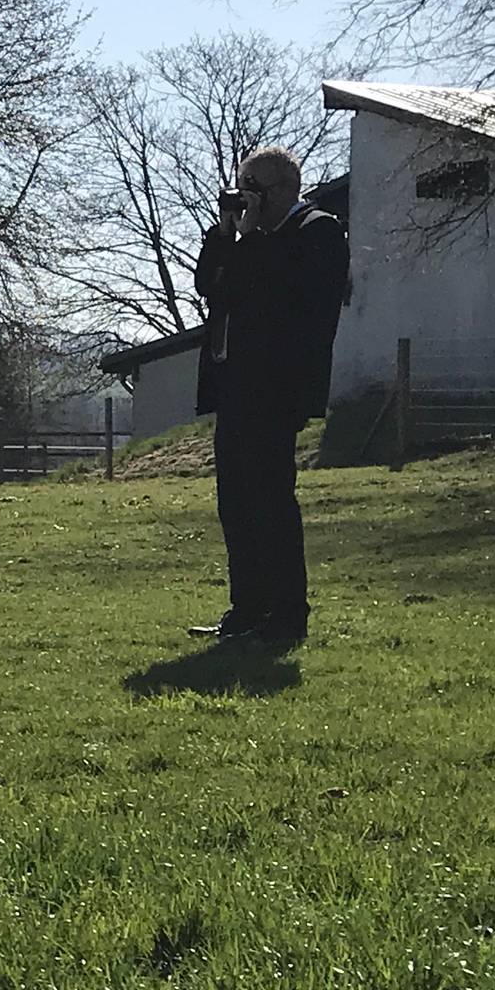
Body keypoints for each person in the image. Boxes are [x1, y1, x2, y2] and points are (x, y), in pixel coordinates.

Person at [190, 145, 349, 645]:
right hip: (235, 387)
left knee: (270, 502)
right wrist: (223, 232)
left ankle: (286, 615)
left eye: (253, 189)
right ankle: (246, 609)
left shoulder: (316, 231)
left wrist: (250, 237)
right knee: (234, 502)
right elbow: (208, 283)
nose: (246, 199)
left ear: (283, 190)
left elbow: (271, 294)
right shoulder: (248, 239)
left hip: (276, 390)